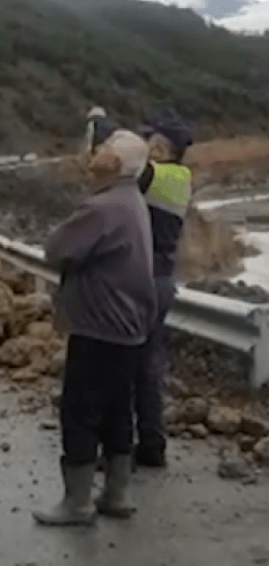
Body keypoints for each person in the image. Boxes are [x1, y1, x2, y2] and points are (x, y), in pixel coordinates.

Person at [33, 130, 156, 526]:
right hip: (130, 326)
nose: (94, 154)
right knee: (119, 409)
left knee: (80, 410)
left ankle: (77, 502)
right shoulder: (132, 201)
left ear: (115, 164)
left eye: (103, 151)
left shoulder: (103, 207)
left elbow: (57, 249)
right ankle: (116, 493)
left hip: (98, 324)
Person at [132, 112, 194, 468]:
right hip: (162, 280)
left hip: (141, 280)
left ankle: (120, 446)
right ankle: (152, 443)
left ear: (163, 148)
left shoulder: (158, 176)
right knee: (149, 366)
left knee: (124, 362)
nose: (146, 148)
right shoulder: (180, 177)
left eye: (151, 143)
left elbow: (122, 171)